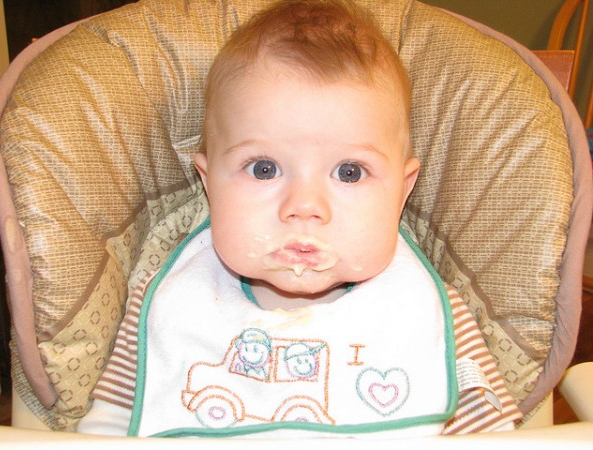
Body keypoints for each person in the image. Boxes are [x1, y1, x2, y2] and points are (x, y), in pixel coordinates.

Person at [78, 0, 522, 437]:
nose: (304, 205)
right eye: (263, 169)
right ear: (208, 182)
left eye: (350, 172)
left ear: (402, 191)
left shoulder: (426, 313)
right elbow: (108, 431)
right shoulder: (170, 301)